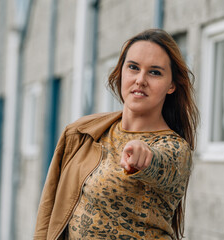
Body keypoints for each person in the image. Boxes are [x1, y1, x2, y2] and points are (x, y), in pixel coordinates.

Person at [34, 29, 199, 240]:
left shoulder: (176, 148)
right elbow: (49, 209)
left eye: (155, 72)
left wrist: (146, 157)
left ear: (172, 85)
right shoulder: (82, 133)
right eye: (133, 67)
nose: (140, 79)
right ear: (121, 72)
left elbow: (164, 164)